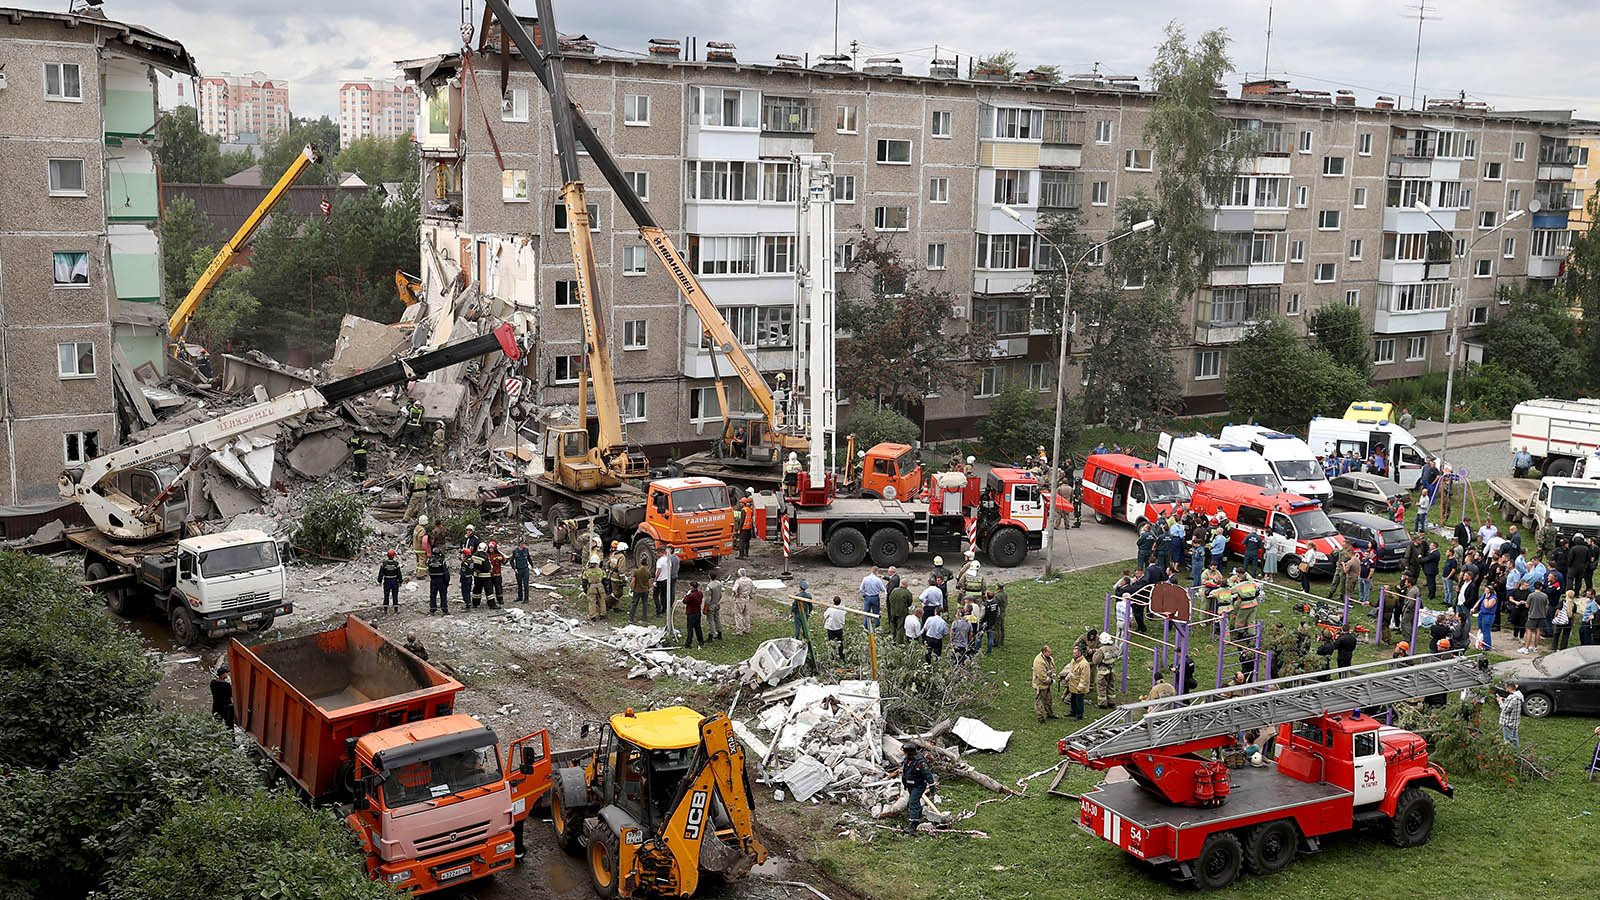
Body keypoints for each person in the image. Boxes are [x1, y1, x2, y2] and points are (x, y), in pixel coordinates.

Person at [901, 742, 937, 833]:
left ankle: (913, 824)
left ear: (909, 752)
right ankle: (918, 814)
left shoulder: (920, 762)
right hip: (910, 785)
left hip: (919, 785)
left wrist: (932, 788)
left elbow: (928, 775)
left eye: (905, 751)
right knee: (914, 801)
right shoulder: (907, 760)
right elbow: (905, 772)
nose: (903, 753)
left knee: (913, 801)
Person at [1032, 646, 1059, 722]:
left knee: (1049, 699)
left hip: (1047, 684)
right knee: (1039, 701)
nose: (1050, 653)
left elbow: (1053, 668)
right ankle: (1040, 717)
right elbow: (1042, 676)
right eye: (1049, 652)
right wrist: (1050, 681)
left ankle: (1050, 714)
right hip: (1041, 684)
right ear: (1044, 652)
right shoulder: (1039, 661)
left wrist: (1053, 675)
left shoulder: (1049, 658)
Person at [1092, 633, 1118, 709]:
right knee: (1111, 686)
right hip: (1112, 670)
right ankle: (1111, 702)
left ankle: (1102, 703)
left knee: (1101, 687)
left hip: (1103, 671)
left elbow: (1095, 661)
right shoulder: (1115, 647)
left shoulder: (1102, 650)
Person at [1064, 647, 1091, 720]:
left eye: (1075, 653)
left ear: (1079, 654)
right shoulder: (1073, 660)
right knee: (1073, 699)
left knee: (1079, 701)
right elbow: (1071, 671)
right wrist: (1067, 678)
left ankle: (1079, 715)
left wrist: (1080, 688)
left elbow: (1085, 678)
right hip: (1073, 685)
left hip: (1079, 687)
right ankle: (1073, 712)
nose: (1073, 654)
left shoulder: (1084, 664)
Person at [1522, 582, 1548, 654]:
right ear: (1541, 587)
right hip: (1541, 616)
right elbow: (1546, 606)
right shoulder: (1544, 596)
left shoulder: (1531, 595)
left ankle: (1526, 648)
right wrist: (1544, 614)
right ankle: (1535, 647)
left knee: (1529, 630)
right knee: (1538, 631)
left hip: (1532, 615)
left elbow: (1527, 605)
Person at [887, 578, 914, 644]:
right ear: (907, 585)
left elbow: (890, 599)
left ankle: (893, 639)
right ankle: (899, 642)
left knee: (893, 624)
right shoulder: (907, 593)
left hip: (893, 611)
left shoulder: (894, 590)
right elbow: (909, 603)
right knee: (900, 627)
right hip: (902, 612)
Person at [860, 566, 886, 634]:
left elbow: (861, 589)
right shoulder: (878, 580)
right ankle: (877, 628)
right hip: (875, 597)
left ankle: (866, 627)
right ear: (876, 571)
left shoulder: (865, 579)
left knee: (866, 613)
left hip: (867, 597)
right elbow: (883, 589)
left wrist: (864, 595)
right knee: (876, 613)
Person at [1498, 681, 1524, 746]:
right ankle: (1516, 752)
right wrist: (1505, 700)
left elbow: (1505, 710)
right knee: (1515, 738)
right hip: (1515, 722)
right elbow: (1511, 705)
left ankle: (1510, 753)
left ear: (1509, 688)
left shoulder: (1511, 697)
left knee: (1507, 740)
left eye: (1506, 688)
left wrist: (1500, 701)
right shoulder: (1519, 695)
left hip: (1508, 723)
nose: (1506, 689)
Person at [583, 554, 607, 621]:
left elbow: (584, 581)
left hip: (591, 588)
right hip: (600, 588)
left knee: (591, 602)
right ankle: (603, 614)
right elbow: (605, 580)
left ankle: (593, 616)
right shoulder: (601, 571)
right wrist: (606, 588)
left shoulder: (587, 571)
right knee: (602, 601)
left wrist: (585, 589)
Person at [682, 582, 706, 648]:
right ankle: (701, 641)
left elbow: (684, 601)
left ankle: (688, 643)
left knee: (690, 629)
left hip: (691, 614)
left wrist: (687, 594)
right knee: (698, 628)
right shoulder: (700, 593)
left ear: (692, 587)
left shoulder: (691, 595)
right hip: (697, 613)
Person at [210, 665, 234, 730]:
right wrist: (229, 684)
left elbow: (215, 682)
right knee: (229, 727)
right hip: (226, 708)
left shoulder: (213, 683)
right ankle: (231, 739)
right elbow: (231, 695)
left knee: (217, 726)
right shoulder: (226, 685)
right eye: (226, 673)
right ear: (223, 675)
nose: (227, 674)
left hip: (216, 707)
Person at [427, 549, 450, 614]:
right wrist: (447, 582)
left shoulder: (429, 561)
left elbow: (429, 571)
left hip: (433, 580)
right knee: (443, 595)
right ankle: (444, 609)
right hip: (441, 580)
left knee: (433, 595)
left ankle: (432, 609)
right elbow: (446, 573)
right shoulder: (442, 561)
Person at [733, 568, 755, 634]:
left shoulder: (738, 581)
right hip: (747, 598)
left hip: (740, 599)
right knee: (746, 614)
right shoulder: (750, 580)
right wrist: (750, 595)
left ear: (740, 574)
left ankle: (739, 630)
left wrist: (736, 594)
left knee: (738, 615)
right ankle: (747, 628)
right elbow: (753, 590)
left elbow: (734, 589)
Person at [509, 539, 531, 604]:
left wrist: (532, 565)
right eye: (523, 544)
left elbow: (529, 558)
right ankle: (520, 597)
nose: (524, 545)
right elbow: (511, 561)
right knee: (519, 584)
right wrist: (514, 568)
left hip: (525, 569)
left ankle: (526, 598)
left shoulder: (526, 550)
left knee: (526, 584)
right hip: (518, 569)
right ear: (520, 544)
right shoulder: (515, 551)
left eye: (524, 544)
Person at [484, 542, 506, 608]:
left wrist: (502, 558)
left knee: (498, 588)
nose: (491, 549)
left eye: (492, 548)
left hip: (497, 574)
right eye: (490, 548)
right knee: (489, 589)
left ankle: (500, 600)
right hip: (489, 575)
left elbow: (504, 561)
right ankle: (490, 601)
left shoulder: (498, 554)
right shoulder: (486, 555)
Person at [653, 548, 672, 617]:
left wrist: (655, 580)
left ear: (660, 553)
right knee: (664, 595)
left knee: (655, 596)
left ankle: (658, 611)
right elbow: (670, 569)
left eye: (657, 553)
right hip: (666, 579)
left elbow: (659, 570)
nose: (656, 554)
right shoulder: (667, 559)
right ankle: (664, 609)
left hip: (660, 580)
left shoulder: (660, 561)